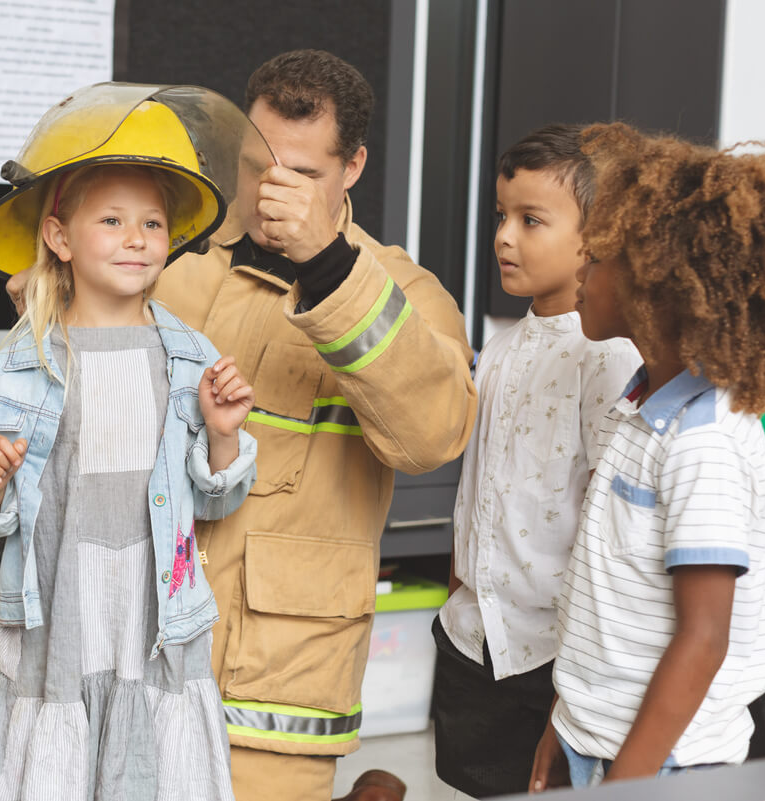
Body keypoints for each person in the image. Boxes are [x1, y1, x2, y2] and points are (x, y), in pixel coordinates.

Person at [143, 50, 475, 801]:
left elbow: (431, 435)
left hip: (275, 669)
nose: (273, 191)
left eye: (302, 173)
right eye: (260, 164)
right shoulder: (171, 258)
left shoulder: (405, 290)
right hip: (141, 632)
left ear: (352, 166)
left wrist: (326, 263)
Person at [0, 87, 258, 801]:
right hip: (62, 610)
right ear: (59, 237)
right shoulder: (22, 364)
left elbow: (219, 496)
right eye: (114, 220)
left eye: (152, 223)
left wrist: (223, 435)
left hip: (153, 613)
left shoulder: (190, 357)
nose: (137, 237)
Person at [530, 123, 765, 789]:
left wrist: (627, 782)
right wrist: (567, 720)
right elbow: (607, 600)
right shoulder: (641, 410)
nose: (581, 264)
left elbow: (703, 639)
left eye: (601, 255)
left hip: (664, 763)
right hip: (602, 740)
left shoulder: (706, 442)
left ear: (656, 283)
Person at [429, 124, 640, 797]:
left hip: (550, 654)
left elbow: (607, 523)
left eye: (531, 220)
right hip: (472, 640)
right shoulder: (500, 345)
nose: (504, 237)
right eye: (501, 216)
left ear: (594, 233)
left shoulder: (608, 354)